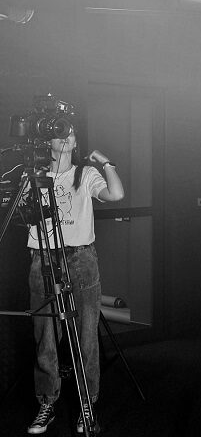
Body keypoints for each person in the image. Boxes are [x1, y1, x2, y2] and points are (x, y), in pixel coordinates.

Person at [27, 127, 124, 435]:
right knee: (45, 338)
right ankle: (47, 403)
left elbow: (116, 194)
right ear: (49, 141)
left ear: (75, 141)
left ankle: (87, 405)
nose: (66, 136)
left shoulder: (85, 174)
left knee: (86, 337)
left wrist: (106, 163)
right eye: (59, 132)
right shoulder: (34, 176)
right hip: (43, 258)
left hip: (80, 258)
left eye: (70, 132)